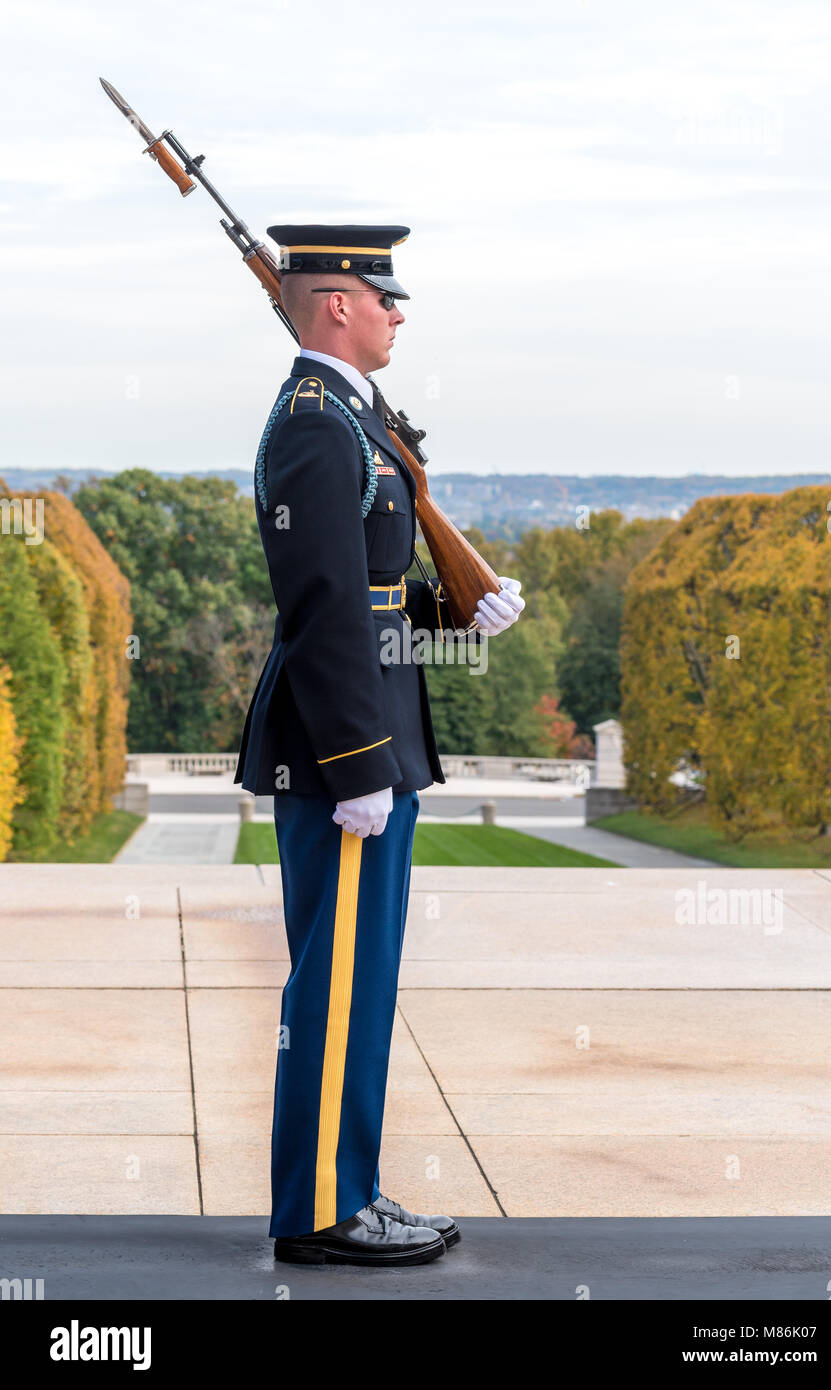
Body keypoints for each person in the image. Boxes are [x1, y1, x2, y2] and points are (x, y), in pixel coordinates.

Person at [234, 223, 524, 1266]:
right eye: (382, 294)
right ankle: (318, 1209)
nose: (399, 311)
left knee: (364, 980)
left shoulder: (356, 418)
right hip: (341, 753)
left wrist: (458, 610)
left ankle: (346, 1186)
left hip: (373, 742)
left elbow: (378, 588)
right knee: (335, 981)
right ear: (335, 305)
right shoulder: (315, 425)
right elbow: (319, 607)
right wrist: (358, 764)